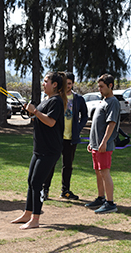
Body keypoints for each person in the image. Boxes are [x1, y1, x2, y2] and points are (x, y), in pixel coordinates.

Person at [11, 71, 67, 230]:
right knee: (31, 181)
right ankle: (27, 214)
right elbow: (39, 117)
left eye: (45, 81)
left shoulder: (56, 101)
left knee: (37, 182)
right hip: (39, 148)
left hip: (50, 150)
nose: (43, 84)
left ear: (54, 84)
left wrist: (35, 111)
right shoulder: (47, 100)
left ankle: (35, 219)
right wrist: (31, 111)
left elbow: (50, 122)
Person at [43, 72, 88, 200]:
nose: (67, 86)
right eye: (65, 83)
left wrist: (78, 127)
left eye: (69, 83)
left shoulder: (78, 99)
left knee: (67, 165)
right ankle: (45, 190)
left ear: (73, 84)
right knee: (50, 164)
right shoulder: (55, 98)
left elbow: (85, 115)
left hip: (71, 138)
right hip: (56, 137)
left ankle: (65, 190)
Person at [85, 73, 120, 214]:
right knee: (98, 172)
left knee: (105, 172)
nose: (99, 89)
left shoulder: (113, 102)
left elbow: (111, 124)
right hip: (96, 144)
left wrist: (104, 141)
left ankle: (110, 203)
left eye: (101, 86)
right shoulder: (103, 101)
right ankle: (101, 198)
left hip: (103, 145)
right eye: (98, 86)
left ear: (110, 86)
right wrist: (91, 142)